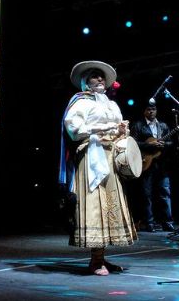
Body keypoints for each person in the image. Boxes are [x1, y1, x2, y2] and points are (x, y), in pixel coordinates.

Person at [60, 60, 136, 276]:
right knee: (96, 204)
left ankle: (102, 258)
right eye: (95, 75)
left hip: (110, 156)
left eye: (102, 76)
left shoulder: (111, 105)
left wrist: (122, 130)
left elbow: (119, 132)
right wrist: (103, 127)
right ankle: (95, 261)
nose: (100, 79)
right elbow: (74, 130)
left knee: (108, 205)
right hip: (92, 155)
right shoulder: (80, 102)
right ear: (85, 82)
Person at [130, 100, 177, 232]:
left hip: (162, 164)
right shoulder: (138, 125)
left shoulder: (163, 126)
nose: (151, 111)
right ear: (144, 111)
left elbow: (171, 143)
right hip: (146, 163)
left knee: (165, 193)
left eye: (153, 109)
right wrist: (149, 145)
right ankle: (149, 222)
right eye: (149, 109)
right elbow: (132, 143)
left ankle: (167, 222)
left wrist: (165, 145)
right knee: (147, 194)